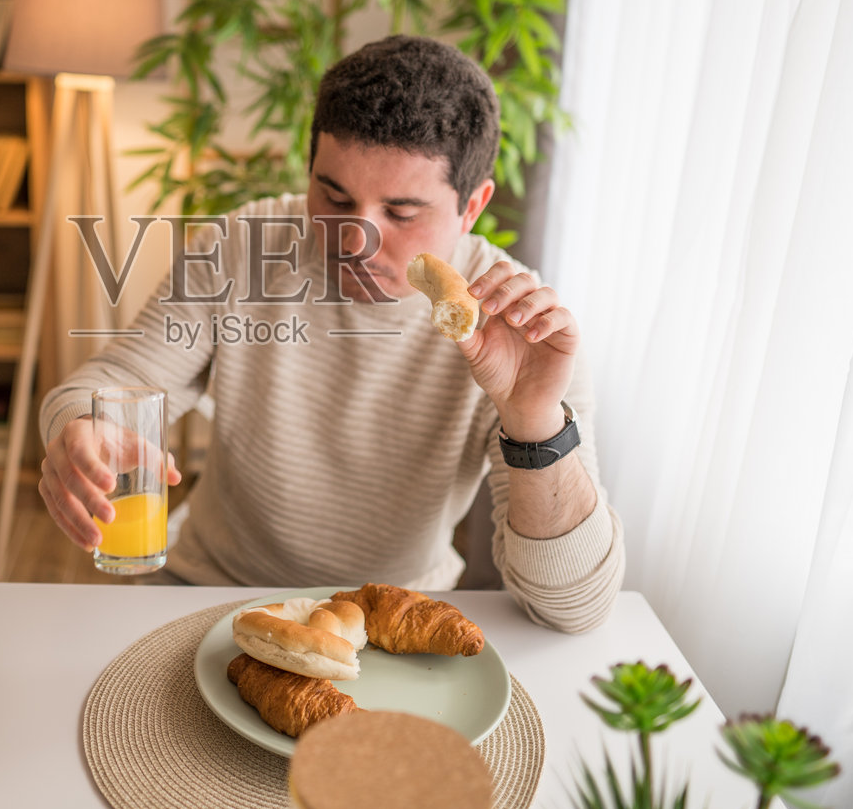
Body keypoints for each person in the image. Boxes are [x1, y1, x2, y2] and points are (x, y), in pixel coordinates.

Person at [38, 35, 624, 633]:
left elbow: (573, 607)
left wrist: (533, 420)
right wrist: (79, 427)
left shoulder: (519, 326)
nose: (354, 240)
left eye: (400, 213)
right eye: (334, 195)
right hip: (207, 593)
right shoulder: (244, 244)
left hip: (389, 623)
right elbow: (119, 380)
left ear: (472, 206)